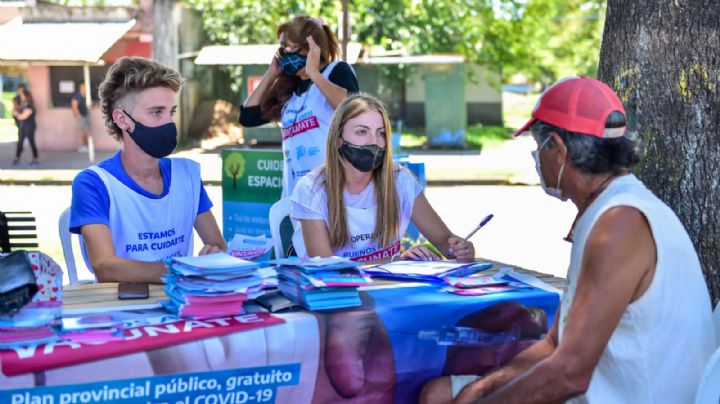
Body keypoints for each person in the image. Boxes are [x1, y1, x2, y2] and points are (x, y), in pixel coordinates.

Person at [420, 77, 716, 404]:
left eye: (539, 147)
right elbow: (554, 342)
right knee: (442, 394)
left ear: (558, 150)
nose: (537, 158)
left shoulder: (620, 223)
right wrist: (485, 387)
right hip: (604, 388)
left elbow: (569, 372)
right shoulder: (609, 208)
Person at [69, 57, 226, 284]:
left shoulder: (187, 175)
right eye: (156, 112)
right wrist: (184, 271)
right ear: (122, 119)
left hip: (182, 303)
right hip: (123, 308)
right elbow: (105, 266)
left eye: (171, 112)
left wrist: (216, 256)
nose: (169, 123)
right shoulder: (93, 183)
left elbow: (217, 244)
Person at [290, 93, 475, 263]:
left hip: (389, 291)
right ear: (338, 139)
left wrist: (461, 249)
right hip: (336, 296)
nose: (374, 142)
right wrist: (395, 263)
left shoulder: (400, 180)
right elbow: (326, 268)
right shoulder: (311, 189)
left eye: (380, 133)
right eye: (362, 132)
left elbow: (445, 242)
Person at [238, 15, 358, 197]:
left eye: (289, 47)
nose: (284, 53)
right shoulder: (288, 87)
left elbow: (352, 110)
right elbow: (247, 117)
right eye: (281, 48)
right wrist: (271, 73)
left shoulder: (337, 70)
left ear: (311, 48)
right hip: (294, 196)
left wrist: (314, 74)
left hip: (330, 191)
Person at [12, 85, 39, 166]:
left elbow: (22, 116)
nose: (21, 97)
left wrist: (16, 114)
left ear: (27, 96)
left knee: (31, 142)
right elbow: (15, 112)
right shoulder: (22, 106)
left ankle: (35, 158)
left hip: (30, 127)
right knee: (20, 142)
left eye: (23, 95)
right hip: (22, 126)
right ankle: (17, 158)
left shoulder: (30, 106)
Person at [71, 81, 90, 152]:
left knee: (85, 131)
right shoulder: (78, 95)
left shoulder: (85, 95)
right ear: (81, 86)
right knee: (83, 131)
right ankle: (84, 146)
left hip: (85, 115)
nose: (85, 88)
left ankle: (85, 145)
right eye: (84, 86)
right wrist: (78, 115)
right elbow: (74, 105)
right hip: (81, 116)